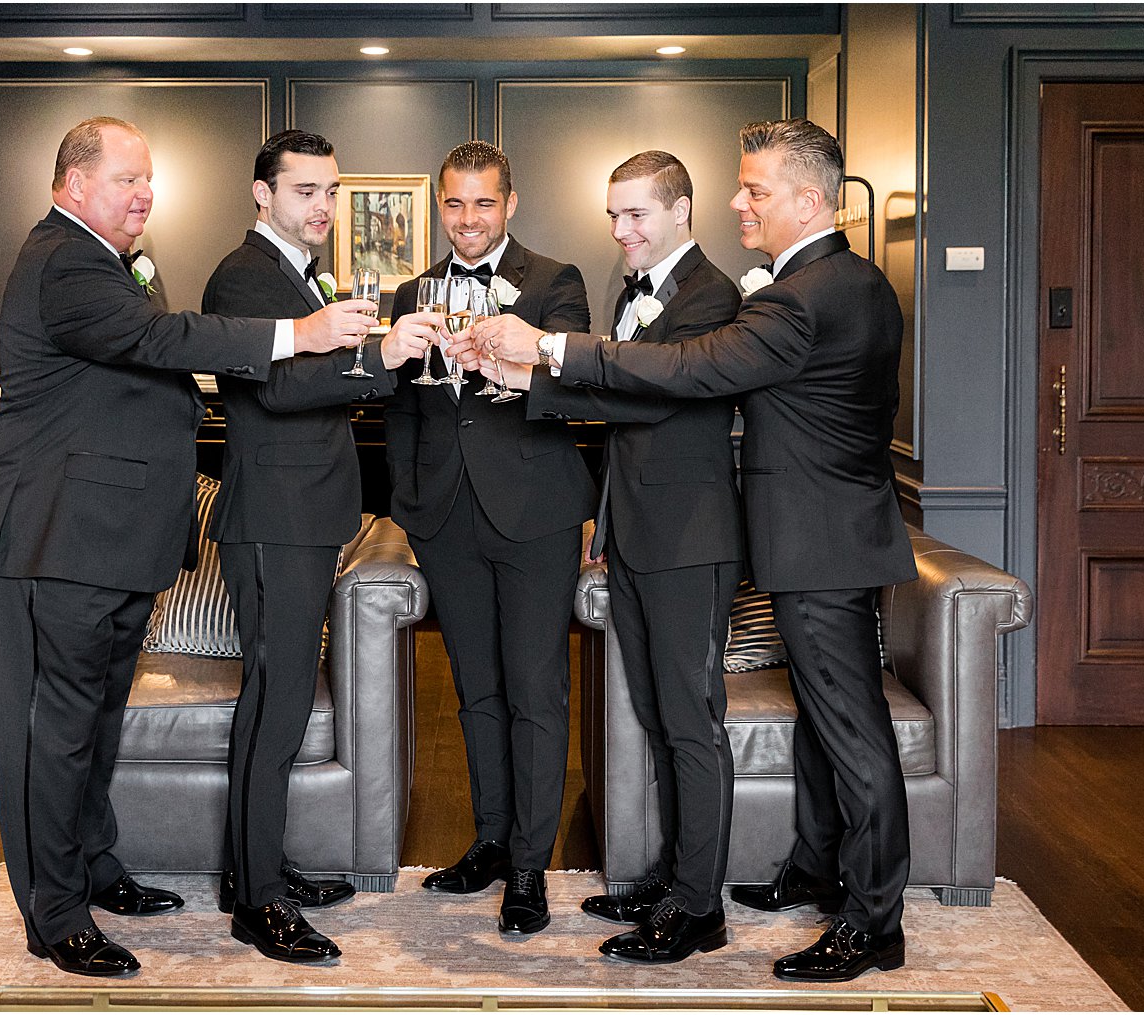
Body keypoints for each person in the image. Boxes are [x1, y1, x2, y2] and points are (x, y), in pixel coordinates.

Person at [469, 118, 918, 982]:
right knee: (823, 733)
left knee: (853, 738)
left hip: (816, 541)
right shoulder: (844, 282)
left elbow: (693, 372)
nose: (740, 201)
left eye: (756, 189)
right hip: (823, 532)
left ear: (809, 199)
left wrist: (550, 351)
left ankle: (873, 923)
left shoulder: (801, 295)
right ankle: (808, 871)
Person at [0, 116, 375, 978]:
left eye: (147, 179)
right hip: (59, 539)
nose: (144, 193)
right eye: (127, 179)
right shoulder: (63, 261)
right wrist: (295, 335)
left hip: (111, 541)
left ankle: (96, 866)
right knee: (56, 734)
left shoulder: (114, 262)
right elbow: (160, 341)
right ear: (74, 184)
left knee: (97, 724)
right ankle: (55, 914)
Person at [486, 151, 744, 963]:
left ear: (681, 211)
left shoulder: (712, 296)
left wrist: (548, 353)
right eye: (613, 215)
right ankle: (674, 879)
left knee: (692, 725)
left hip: (689, 541)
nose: (620, 230)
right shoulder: (637, 294)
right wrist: (518, 375)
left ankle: (700, 907)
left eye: (636, 214)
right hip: (635, 535)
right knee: (660, 718)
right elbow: (619, 400)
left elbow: (664, 387)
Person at [200, 129, 432, 964]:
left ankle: (251, 869)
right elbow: (275, 388)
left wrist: (369, 351)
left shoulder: (297, 275)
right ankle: (257, 901)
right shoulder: (245, 273)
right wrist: (384, 360)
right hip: (273, 518)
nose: (324, 208)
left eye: (332, 192)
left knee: (282, 697)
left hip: (301, 514)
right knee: (279, 701)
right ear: (262, 194)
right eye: (306, 192)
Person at [386, 141, 597, 936]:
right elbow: (402, 407)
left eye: (483, 203)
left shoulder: (555, 281)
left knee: (535, 688)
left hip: (535, 512)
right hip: (445, 515)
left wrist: (515, 359)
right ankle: (490, 839)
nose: (467, 219)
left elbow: (574, 378)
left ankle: (531, 869)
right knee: (475, 687)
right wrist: (411, 504)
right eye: (454, 203)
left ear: (510, 204)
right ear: (440, 206)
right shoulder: (412, 290)